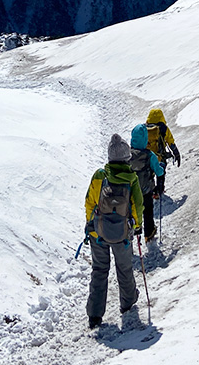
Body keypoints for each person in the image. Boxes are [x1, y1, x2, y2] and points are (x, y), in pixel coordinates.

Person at [84, 133, 144, 329]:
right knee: (124, 268)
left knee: (99, 270)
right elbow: (137, 207)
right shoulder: (132, 179)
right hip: (122, 235)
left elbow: (90, 203)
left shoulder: (100, 175)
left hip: (98, 233)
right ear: (127, 158)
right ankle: (127, 303)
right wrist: (136, 227)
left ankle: (94, 314)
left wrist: (92, 227)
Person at [130, 123, 165, 242]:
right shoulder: (150, 155)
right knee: (148, 211)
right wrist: (162, 167)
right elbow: (159, 172)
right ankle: (149, 233)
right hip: (146, 190)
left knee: (131, 210)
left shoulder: (127, 155)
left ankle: (132, 231)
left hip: (131, 191)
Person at [145, 108, 181, 196]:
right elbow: (170, 141)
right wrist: (176, 153)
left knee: (149, 174)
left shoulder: (144, 128)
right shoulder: (163, 128)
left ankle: (150, 191)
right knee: (160, 172)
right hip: (159, 156)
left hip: (146, 156)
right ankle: (159, 191)